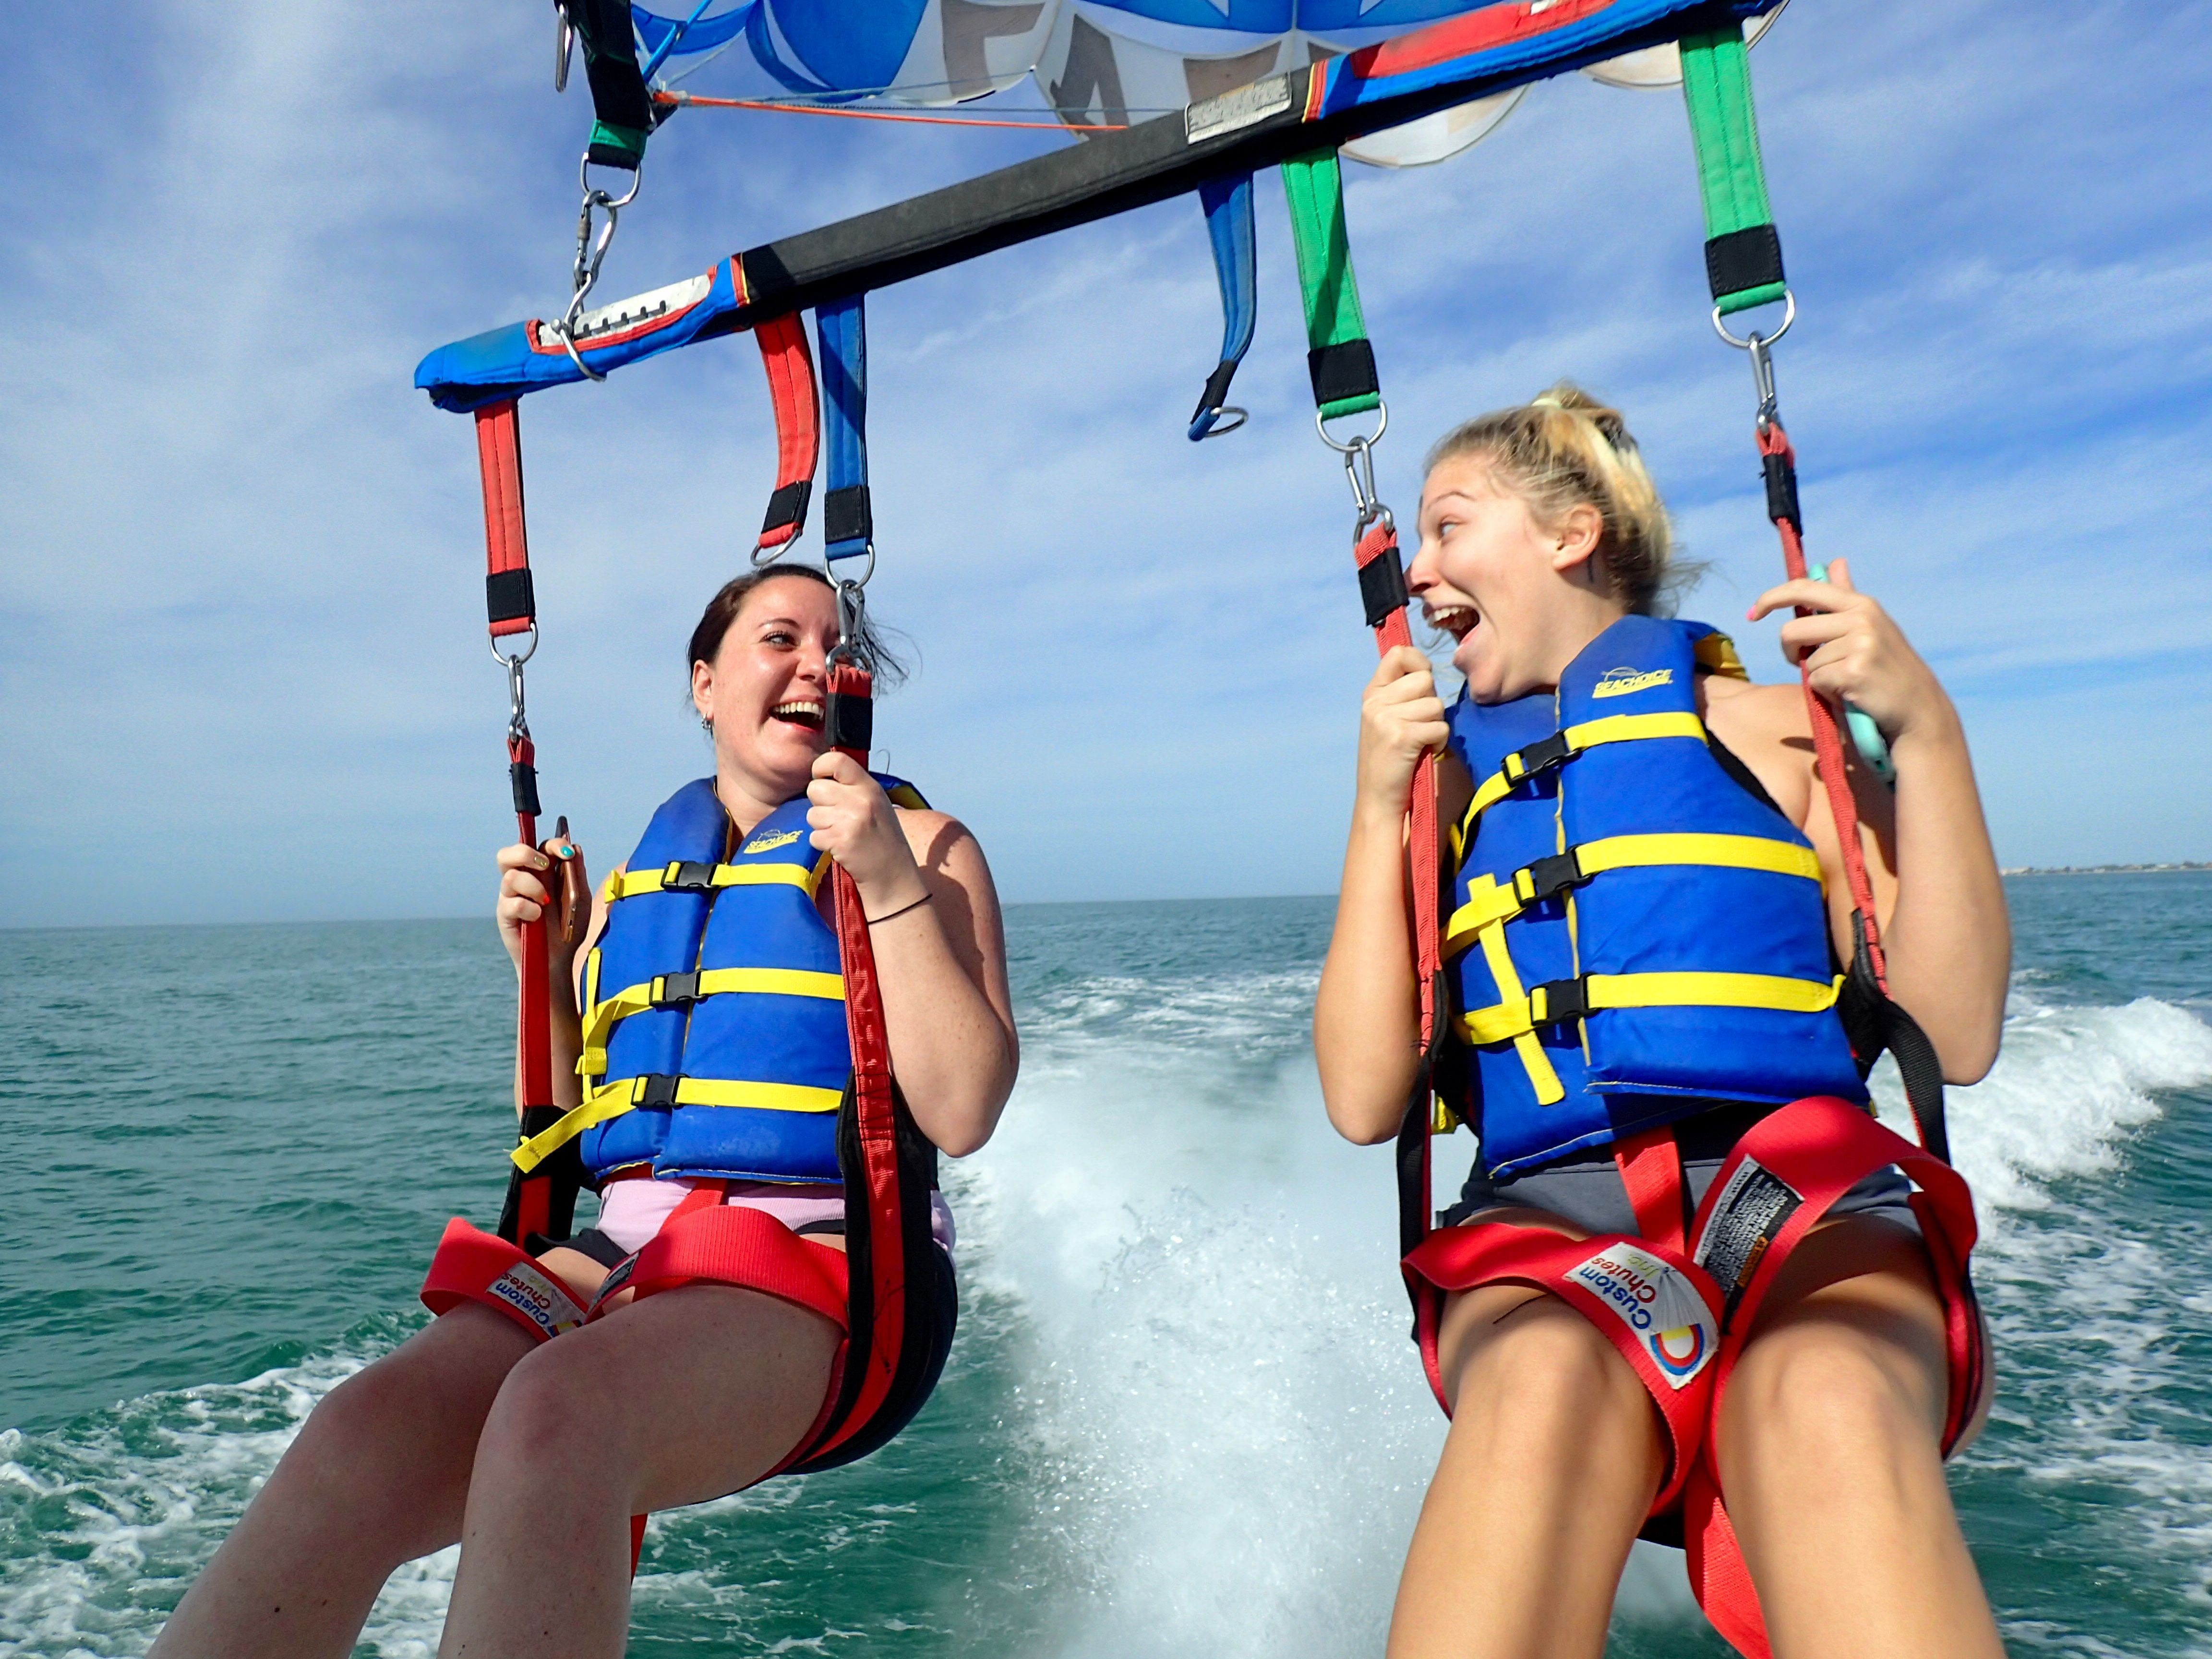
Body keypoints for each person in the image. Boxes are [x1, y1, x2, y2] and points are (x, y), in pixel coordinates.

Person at [151, 563, 1018, 1659]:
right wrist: (547, 965)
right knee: (359, 1431)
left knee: (558, 1415)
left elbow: (966, 1108)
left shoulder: (924, 846)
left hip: (834, 1269)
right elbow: (576, 1124)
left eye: (834, 644)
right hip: (627, 1252)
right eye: (779, 637)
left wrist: (887, 884)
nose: (813, 663)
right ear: (705, 684)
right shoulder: (637, 882)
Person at [1313, 386, 2010, 1659]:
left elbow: (1954, 1032)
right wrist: (1376, 814)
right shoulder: (1436, 791)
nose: (1418, 572)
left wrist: (1926, 731)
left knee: (1826, 1393)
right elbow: (1366, 1102)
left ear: (1570, 534)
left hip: (1801, 1204)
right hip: (1547, 1224)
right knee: (1540, 1390)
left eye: (1450, 528)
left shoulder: (1772, 735)